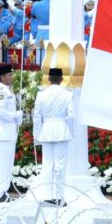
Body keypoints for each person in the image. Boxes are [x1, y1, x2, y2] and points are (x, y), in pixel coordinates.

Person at [33, 68, 74, 206]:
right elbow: (71, 116)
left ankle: (47, 196)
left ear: (49, 79)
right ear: (62, 79)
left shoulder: (41, 94)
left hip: (46, 130)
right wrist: (70, 131)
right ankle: (59, 197)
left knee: (47, 164)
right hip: (61, 129)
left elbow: (37, 117)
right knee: (61, 165)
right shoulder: (67, 94)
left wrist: (36, 135)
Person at [0, 63, 23, 202]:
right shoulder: (1, 91)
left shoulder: (8, 90)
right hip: (4, 133)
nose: (12, 77)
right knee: (3, 164)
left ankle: (2, 192)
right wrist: (16, 115)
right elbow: (1, 112)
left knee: (8, 164)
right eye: (9, 75)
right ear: (2, 76)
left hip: (9, 133)